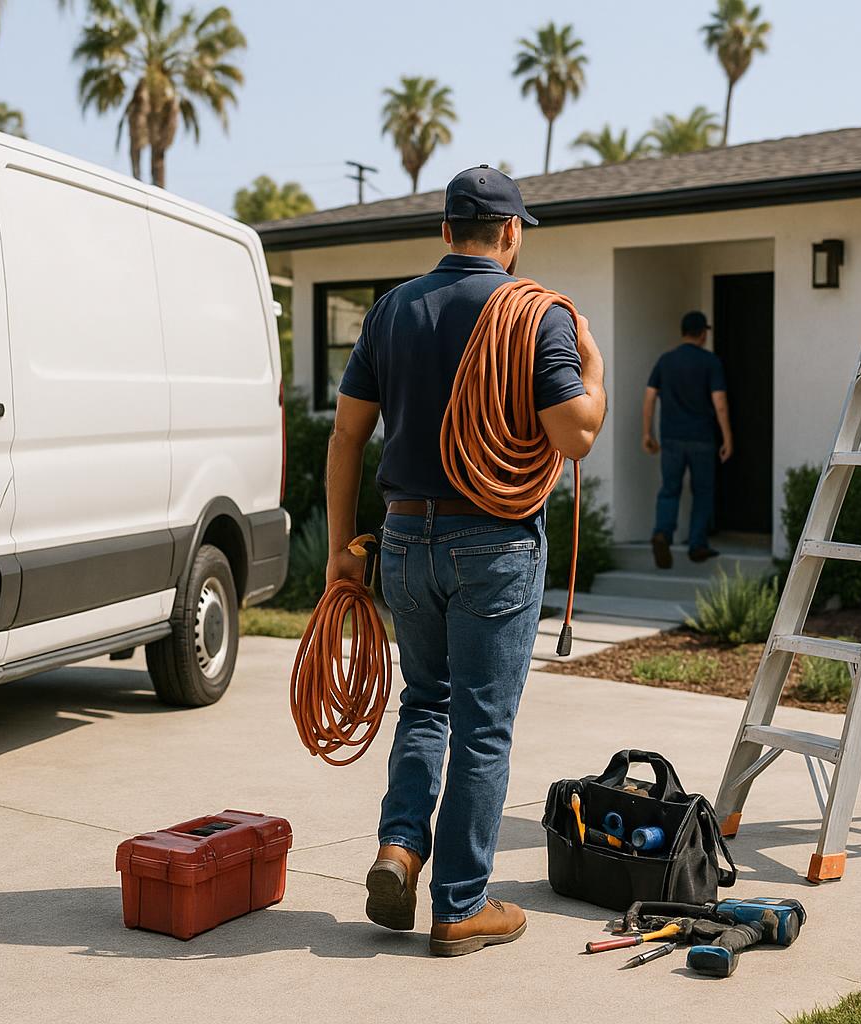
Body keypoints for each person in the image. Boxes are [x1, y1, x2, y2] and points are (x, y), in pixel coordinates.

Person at [324, 166, 606, 957]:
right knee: (483, 726)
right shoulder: (540, 317)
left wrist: (342, 554)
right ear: (510, 235)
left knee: (426, 703)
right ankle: (460, 906)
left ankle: (398, 849)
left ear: (446, 231)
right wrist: (594, 370)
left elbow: (346, 436)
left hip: (405, 536)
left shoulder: (391, 310)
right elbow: (575, 435)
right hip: (496, 540)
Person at [642, 311, 734, 568]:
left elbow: (649, 397)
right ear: (703, 333)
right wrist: (728, 437)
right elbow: (720, 403)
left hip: (670, 438)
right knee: (703, 492)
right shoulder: (710, 362)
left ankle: (662, 533)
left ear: (683, 331)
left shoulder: (665, 361)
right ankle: (697, 545)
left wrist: (647, 433)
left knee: (669, 489)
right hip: (702, 438)